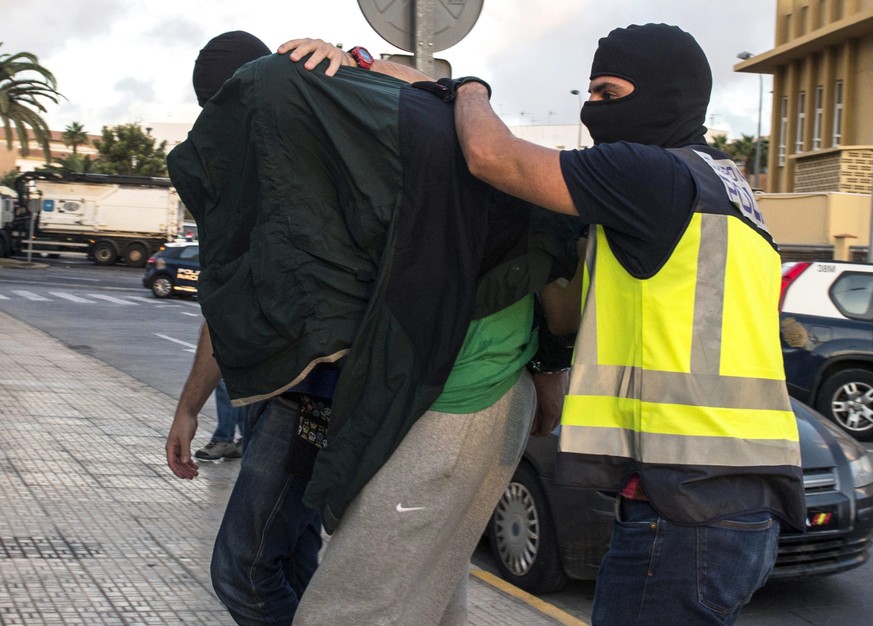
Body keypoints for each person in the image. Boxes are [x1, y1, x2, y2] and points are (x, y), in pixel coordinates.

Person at [169, 38, 580, 625]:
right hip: (413, 405)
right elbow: (239, 290)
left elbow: (541, 233)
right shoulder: (333, 129)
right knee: (425, 603)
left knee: (339, 609)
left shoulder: (370, 115)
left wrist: (549, 369)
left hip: (456, 400)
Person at [420, 22, 806, 625]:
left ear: (667, 93)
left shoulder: (652, 175)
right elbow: (571, 317)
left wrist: (466, 88)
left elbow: (491, 157)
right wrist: (547, 250)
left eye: (609, 93)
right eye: (589, 95)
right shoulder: (726, 186)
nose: (591, 109)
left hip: (684, 512)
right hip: (729, 505)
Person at [164, 30, 338, 624]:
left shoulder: (315, 148)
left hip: (311, 398)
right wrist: (189, 407)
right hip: (283, 394)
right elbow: (228, 302)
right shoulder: (255, 172)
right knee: (291, 560)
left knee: (241, 570)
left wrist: (357, 59)